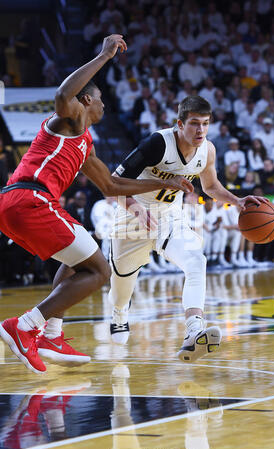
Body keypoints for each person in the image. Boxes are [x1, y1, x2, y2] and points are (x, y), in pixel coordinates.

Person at [0, 35, 192, 374]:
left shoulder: (85, 145)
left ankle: (52, 335)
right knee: (101, 270)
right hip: (28, 198)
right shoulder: (67, 120)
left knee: (78, 260)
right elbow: (62, 94)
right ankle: (27, 325)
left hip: (21, 205)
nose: (105, 106)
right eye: (100, 100)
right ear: (86, 100)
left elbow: (112, 185)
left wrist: (165, 182)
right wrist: (104, 55)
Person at [107, 95, 267, 362]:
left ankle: (194, 330)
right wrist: (137, 210)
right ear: (179, 124)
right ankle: (120, 313)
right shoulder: (157, 144)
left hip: (170, 218)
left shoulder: (208, 150)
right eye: (194, 124)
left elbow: (211, 187)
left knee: (196, 260)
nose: (200, 130)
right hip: (132, 217)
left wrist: (238, 201)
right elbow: (113, 184)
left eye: (205, 124)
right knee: (122, 283)